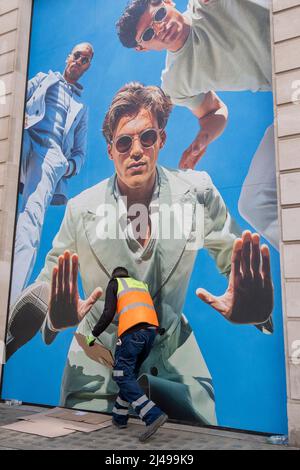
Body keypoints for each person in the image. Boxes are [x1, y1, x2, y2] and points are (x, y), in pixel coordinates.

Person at [7, 83, 274, 425]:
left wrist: (257, 313)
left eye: (146, 137)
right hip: (95, 367)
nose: (136, 150)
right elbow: (48, 283)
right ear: (110, 151)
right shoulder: (79, 209)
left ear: (161, 139)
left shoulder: (198, 192)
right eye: (124, 142)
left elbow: (236, 264)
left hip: (177, 367)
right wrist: (52, 320)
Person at [116, 0, 279, 249]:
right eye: (148, 33)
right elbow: (213, 112)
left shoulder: (204, 6)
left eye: (159, 14)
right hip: (292, 94)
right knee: (255, 202)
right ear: (143, 48)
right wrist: (203, 138)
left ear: (169, 2)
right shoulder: (176, 81)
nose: (159, 28)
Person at [10, 42, 94, 305]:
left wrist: (64, 167)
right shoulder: (44, 79)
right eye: (77, 56)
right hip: (25, 135)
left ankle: (10, 298)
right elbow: (16, 98)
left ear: (87, 67)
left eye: (85, 60)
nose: (79, 62)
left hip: (52, 156)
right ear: (69, 56)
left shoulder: (81, 108)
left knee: (31, 217)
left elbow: (80, 153)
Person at [86, 266, 168, 442]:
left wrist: (92, 336)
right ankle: (119, 417)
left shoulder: (115, 283)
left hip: (133, 333)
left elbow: (108, 313)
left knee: (121, 375)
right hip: (150, 333)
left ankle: (152, 415)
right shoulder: (140, 285)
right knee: (128, 375)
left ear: (113, 276)